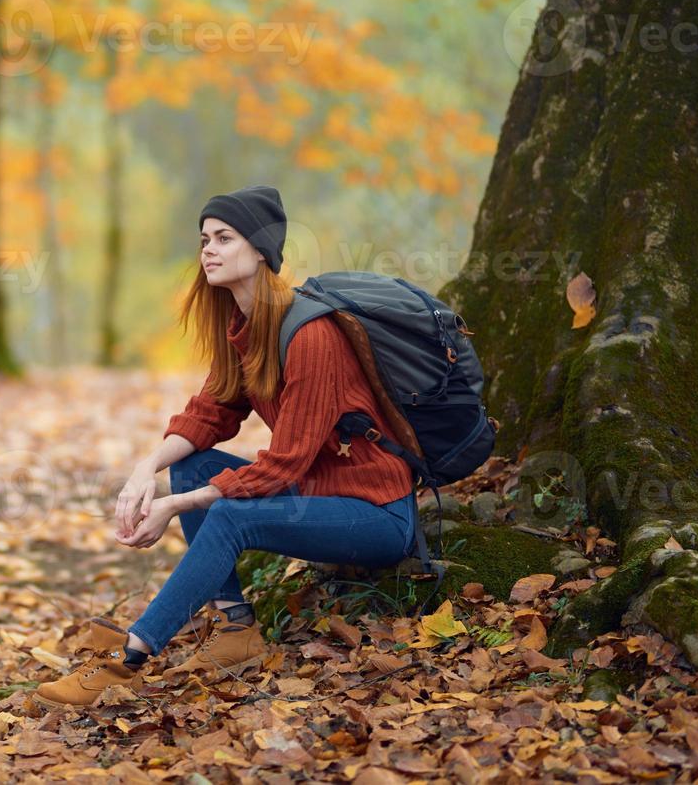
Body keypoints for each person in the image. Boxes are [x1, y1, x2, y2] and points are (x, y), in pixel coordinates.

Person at [33, 185, 420, 709]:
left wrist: (173, 504)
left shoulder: (311, 335)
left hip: (376, 514)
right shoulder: (246, 326)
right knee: (191, 463)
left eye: (224, 238)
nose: (208, 250)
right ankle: (236, 628)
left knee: (227, 515)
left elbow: (283, 465)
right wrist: (147, 470)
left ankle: (129, 658)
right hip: (320, 493)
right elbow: (208, 414)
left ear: (261, 250)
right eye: (203, 240)